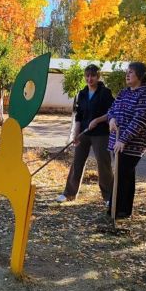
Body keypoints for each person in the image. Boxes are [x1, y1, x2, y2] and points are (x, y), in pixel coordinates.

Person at [56, 64, 115, 204]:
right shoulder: (82, 94)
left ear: (98, 77)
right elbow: (79, 116)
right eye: (87, 76)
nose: (90, 78)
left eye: (93, 75)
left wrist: (98, 120)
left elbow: (112, 113)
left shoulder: (105, 93)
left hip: (101, 134)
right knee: (77, 162)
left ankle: (109, 197)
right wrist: (75, 134)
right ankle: (69, 193)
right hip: (84, 132)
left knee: (103, 164)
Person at [106, 61, 146, 219]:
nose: (127, 75)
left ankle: (118, 210)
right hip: (117, 142)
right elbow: (112, 109)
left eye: (131, 72)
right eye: (127, 72)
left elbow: (138, 122)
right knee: (124, 175)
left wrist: (124, 139)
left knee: (122, 175)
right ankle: (120, 209)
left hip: (132, 145)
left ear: (140, 76)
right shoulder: (124, 92)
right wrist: (111, 119)